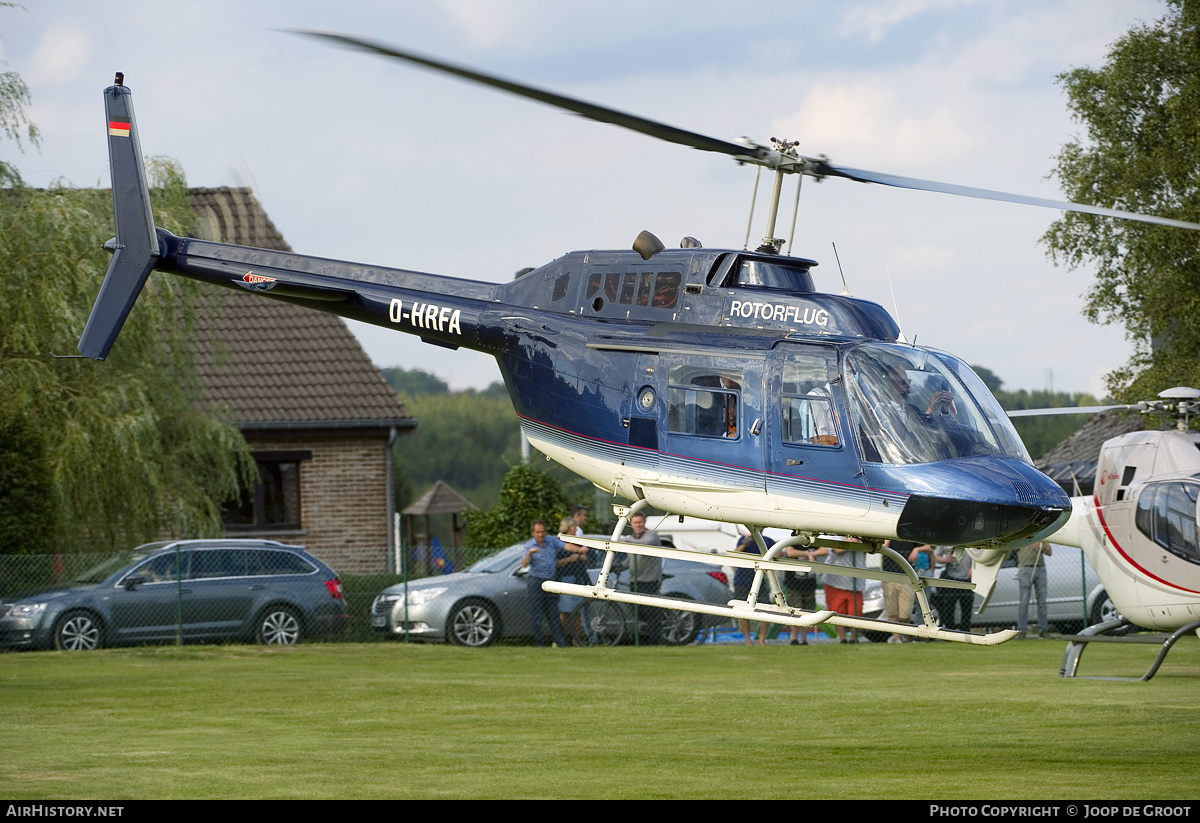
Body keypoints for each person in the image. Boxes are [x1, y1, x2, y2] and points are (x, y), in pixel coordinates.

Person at [521, 520, 571, 647]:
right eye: (538, 532)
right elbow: (524, 564)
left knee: (553, 613)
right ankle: (539, 644)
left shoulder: (551, 541)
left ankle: (561, 643)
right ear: (533, 533)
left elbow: (566, 546)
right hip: (536, 582)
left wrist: (580, 549)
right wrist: (529, 554)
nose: (541, 535)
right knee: (536, 615)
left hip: (551, 581)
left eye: (543, 532)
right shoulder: (529, 546)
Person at [811, 538, 865, 643]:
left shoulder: (864, 539)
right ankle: (842, 638)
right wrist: (850, 542)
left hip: (856, 583)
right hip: (834, 582)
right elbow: (838, 549)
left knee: (855, 612)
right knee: (837, 611)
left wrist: (857, 540)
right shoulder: (835, 537)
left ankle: (854, 638)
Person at [622, 512, 663, 645]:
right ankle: (643, 640)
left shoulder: (652, 535)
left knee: (651, 613)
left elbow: (644, 544)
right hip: (635, 581)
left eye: (640, 522)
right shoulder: (632, 539)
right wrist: (617, 567)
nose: (638, 525)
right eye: (635, 523)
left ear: (644, 523)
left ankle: (654, 641)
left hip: (649, 581)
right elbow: (629, 561)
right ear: (631, 524)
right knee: (638, 612)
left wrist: (626, 540)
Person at [881, 540, 932, 643]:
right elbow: (882, 547)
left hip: (906, 578)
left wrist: (917, 549)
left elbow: (930, 547)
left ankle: (899, 634)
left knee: (905, 614)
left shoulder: (908, 536)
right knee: (892, 612)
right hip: (889, 576)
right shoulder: (886, 537)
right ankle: (897, 638)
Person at [557, 515, 594, 645]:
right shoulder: (559, 542)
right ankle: (563, 639)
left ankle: (576, 640)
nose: (576, 529)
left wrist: (583, 558)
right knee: (565, 613)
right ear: (568, 528)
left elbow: (586, 558)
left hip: (579, 579)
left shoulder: (578, 542)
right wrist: (571, 559)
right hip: (566, 579)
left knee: (577, 612)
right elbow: (557, 563)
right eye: (574, 526)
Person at [733, 530, 771, 646]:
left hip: (760, 580)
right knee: (743, 611)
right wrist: (745, 543)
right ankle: (748, 640)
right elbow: (735, 553)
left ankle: (761, 640)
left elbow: (778, 554)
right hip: (742, 581)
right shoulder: (743, 539)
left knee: (765, 610)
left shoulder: (767, 540)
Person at [930, 546, 973, 633]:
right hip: (951, 578)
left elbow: (982, 556)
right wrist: (946, 559)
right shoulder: (948, 541)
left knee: (967, 609)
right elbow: (936, 556)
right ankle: (950, 632)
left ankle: (965, 632)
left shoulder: (973, 541)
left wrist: (974, 568)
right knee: (949, 608)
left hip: (967, 580)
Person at [782, 544, 818, 644]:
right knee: (795, 611)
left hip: (809, 584)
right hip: (794, 585)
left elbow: (825, 550)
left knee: (808, 612)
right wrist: (807, 554)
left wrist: (811, 553)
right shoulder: (795, 541)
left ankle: (804, 639)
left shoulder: (812, 542)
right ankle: (794, 638)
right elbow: (789, 552)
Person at [1016, 541, 1052, 638]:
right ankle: (1021, 631)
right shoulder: (1021, 535)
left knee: (1042, 603)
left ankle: (1043, 630)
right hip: (1025, 568)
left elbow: (1049, 553)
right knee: (1023, 602)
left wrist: (1043, 546)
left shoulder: (1041, 536)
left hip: (1040, 568)